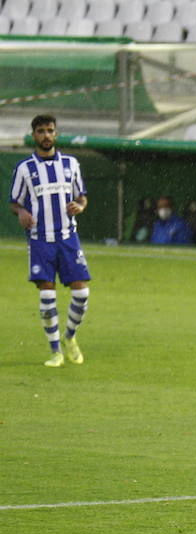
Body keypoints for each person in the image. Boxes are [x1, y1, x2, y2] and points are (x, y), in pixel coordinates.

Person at [9, 113, 91, 369]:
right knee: (47, 296)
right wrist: (21, 212)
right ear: (34, 135)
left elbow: (82, 197)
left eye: (50, 130)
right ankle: (55, 350)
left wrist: (80, 206)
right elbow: (14, 202)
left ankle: (70, 336)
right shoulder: (24, 168)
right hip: (40, 240)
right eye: (41, 131)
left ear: (56, 134)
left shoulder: (71, 164)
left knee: (81, 293)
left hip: (68, 238)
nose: (46, 135)